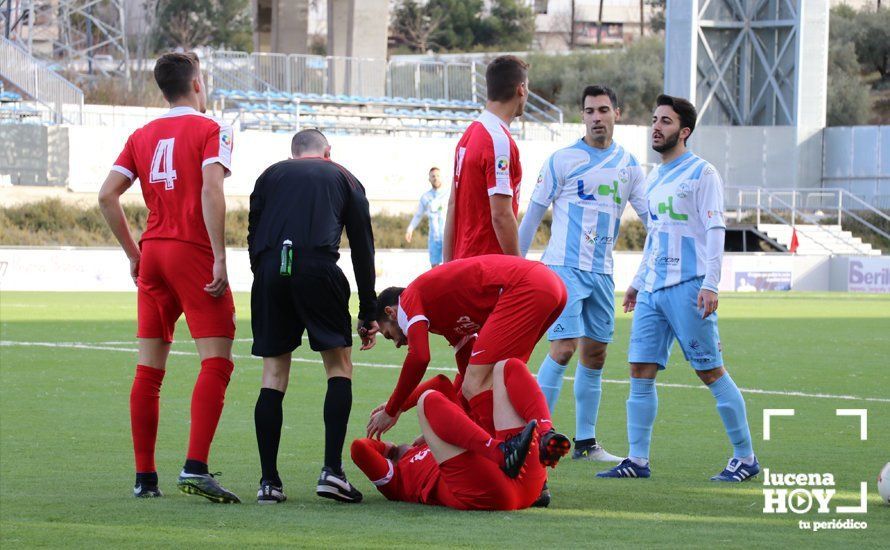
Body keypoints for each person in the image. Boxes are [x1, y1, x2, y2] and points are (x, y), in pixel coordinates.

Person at [98, 52, 240, 503]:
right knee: (216, 360)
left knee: (149, 370)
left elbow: (106, 197)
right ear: (197, 84)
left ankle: (145, 479)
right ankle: (195, 466)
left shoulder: (141, 134)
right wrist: (220, 256)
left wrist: (134, 254)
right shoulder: (211, 129)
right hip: (192, 252)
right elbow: (212, 189)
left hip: (154, 252)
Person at [597, 95, 759, 482]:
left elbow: (716, 229)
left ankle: (746, 457)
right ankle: (637, 460)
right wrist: (637, 282)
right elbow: (656, 237)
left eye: (666, 121)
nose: (657, 126)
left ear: (684, 131)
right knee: (640, 369)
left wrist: (711, 283)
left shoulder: (703, 174)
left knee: (711, 372)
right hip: (653, 290)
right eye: (654, 119)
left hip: (689, 286)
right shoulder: (652, 179)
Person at [518, 85, 648, 463]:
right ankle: (535, 435)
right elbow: (532, 216)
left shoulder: (629, 166)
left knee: (596, 354)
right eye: (589, 111)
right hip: (563, 269)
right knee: (563, 348)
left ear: (617, 114)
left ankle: (586, 444)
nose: (596, 117)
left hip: (603, 274)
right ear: (582, 117)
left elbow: (653, 219)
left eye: (603, 110)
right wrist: (514, 265)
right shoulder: (563, 159)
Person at [248, 129, 378, 504]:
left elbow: (253, 235)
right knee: (339, 367)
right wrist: (367, 310)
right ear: (327, 152)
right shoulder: (343, 176)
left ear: (293, 153)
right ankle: (331, 472)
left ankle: (269, 482)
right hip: (319, 267)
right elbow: (362, 248)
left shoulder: (269, 175)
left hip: (272, 269)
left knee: (273, 374)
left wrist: (267, 274)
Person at [365, 255, 570, 469]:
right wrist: (445, 429)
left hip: (524, 285)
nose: (397, 343)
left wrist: (392, 409)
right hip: (550, 284)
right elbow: (466, 385)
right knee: (501, 376)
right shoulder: (442, 316)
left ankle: (506, 463)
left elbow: (419, 357)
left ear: (391, 312)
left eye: (389, 335)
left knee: (480, 383)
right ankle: (545, 436)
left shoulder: (408, 298)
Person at [352, 359, 551, 511]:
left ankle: (546, 434)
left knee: (507, 366)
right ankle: (500, 452)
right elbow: (360, 448)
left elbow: (440, 383)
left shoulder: (426, 446)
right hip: (490, 493)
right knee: (427, 400)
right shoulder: (397, 481)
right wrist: (390, 450)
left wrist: (397, 408)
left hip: (527, 482)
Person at [443, 55, 528, 262]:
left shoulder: (468, 135)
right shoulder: (498, 141)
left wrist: (447, 267)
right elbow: (501, 216)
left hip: (464, 266)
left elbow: (452, 206)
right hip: (488, 270)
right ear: (521, 89)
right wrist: (519, 269)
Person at [405, 167, 447, 267]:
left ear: (441, 177)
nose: (435, 178)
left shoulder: (448, 194)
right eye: (433, 176)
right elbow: (418, 215)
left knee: (449, 265)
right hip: (433, 238)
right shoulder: (425, 197)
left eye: (437, 176)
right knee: (435, 267)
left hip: (447, 236)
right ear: (429, 179)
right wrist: (410, 229)